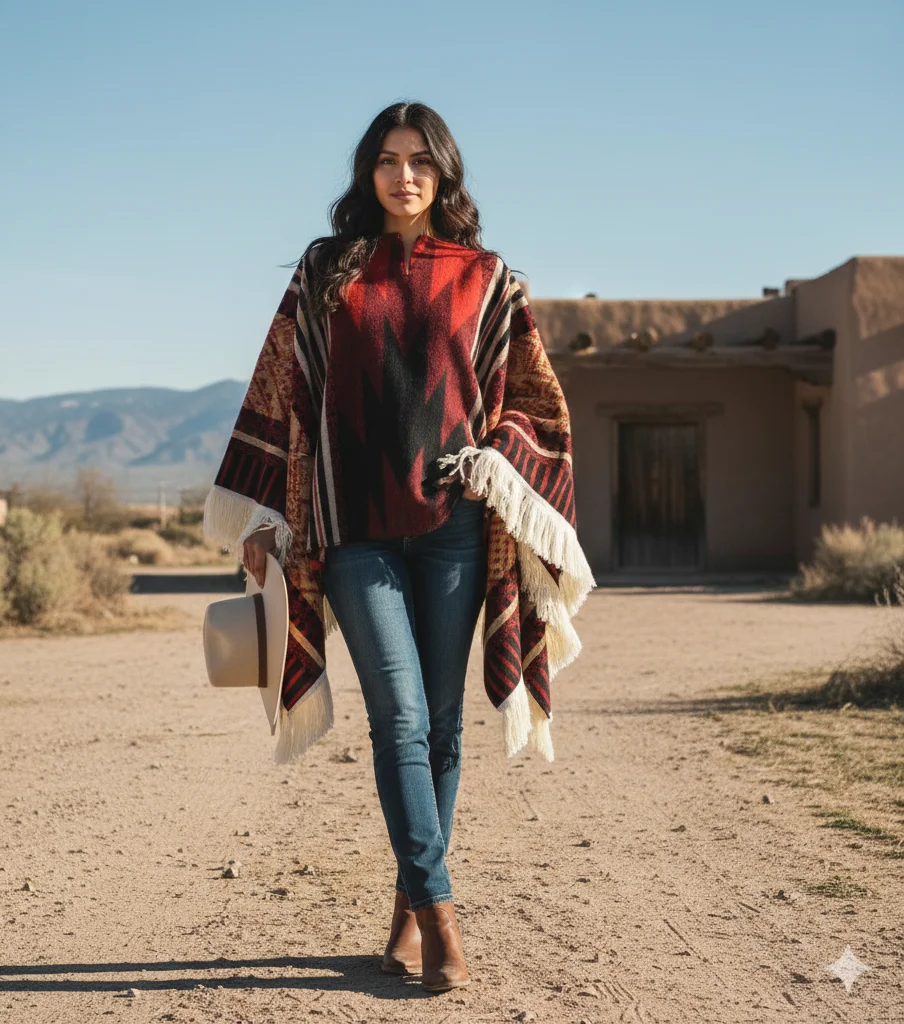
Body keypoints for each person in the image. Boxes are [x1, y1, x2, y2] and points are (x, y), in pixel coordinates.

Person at [204, 101, 593, 994]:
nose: (404, 175)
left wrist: (496, 457)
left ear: (445, 174)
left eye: (421, 161)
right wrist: (265, 519)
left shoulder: (489, 278)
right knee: (403, 719)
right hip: (349, 529)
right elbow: (284, 390)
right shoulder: (323, 270)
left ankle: (408, 909)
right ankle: (443, 917)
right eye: (387, 159)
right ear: (366, 173)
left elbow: (538, 402)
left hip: (452, 528)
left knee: (446, 727)